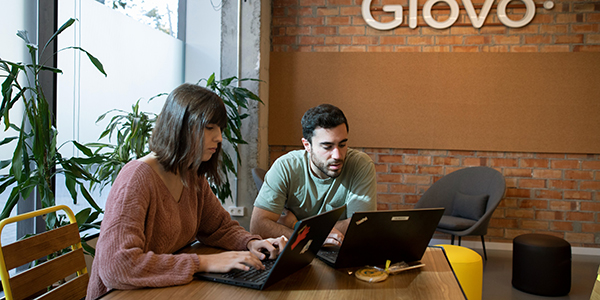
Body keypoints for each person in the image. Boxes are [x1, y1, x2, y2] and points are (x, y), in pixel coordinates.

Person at [86, 84, 287, 300]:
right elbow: (117, 267)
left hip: (163, 290)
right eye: (209, 127)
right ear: (180, 127)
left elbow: (218, 227)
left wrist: (250, 242)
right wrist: (203, 262)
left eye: (219, 129)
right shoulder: (136, 177)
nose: (219, 138)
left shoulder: (191, 174)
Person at [250, 104, 377, 247]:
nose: (337, 155)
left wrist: (296, 225)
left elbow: (361, 225)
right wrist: (312, 238)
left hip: (338, 251)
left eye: (342, 145)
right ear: (307, 145)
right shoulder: (285, 166)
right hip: (295, 253)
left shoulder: (361, 165)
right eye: (327, 147)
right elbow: (258, 226)